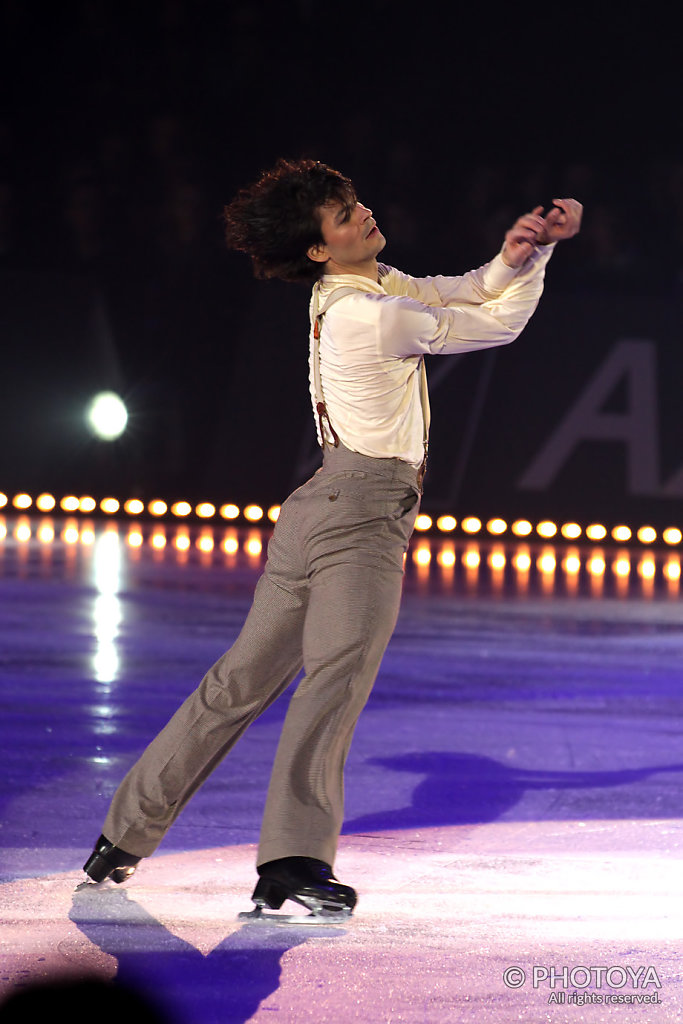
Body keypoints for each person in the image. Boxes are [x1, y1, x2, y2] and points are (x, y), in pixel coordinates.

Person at [84, 158, 582, 917]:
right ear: (317, 247)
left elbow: (461, 291)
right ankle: (292, 858)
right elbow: (495, 322)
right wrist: (538, 261)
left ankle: (122, 835)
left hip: (318, 503)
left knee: (237, 684)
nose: (362, 215)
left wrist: (514, 254)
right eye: (343, 215)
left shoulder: (358, 290)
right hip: (361, 516)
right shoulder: (372, 311)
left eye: (354, 203)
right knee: (334, 681)